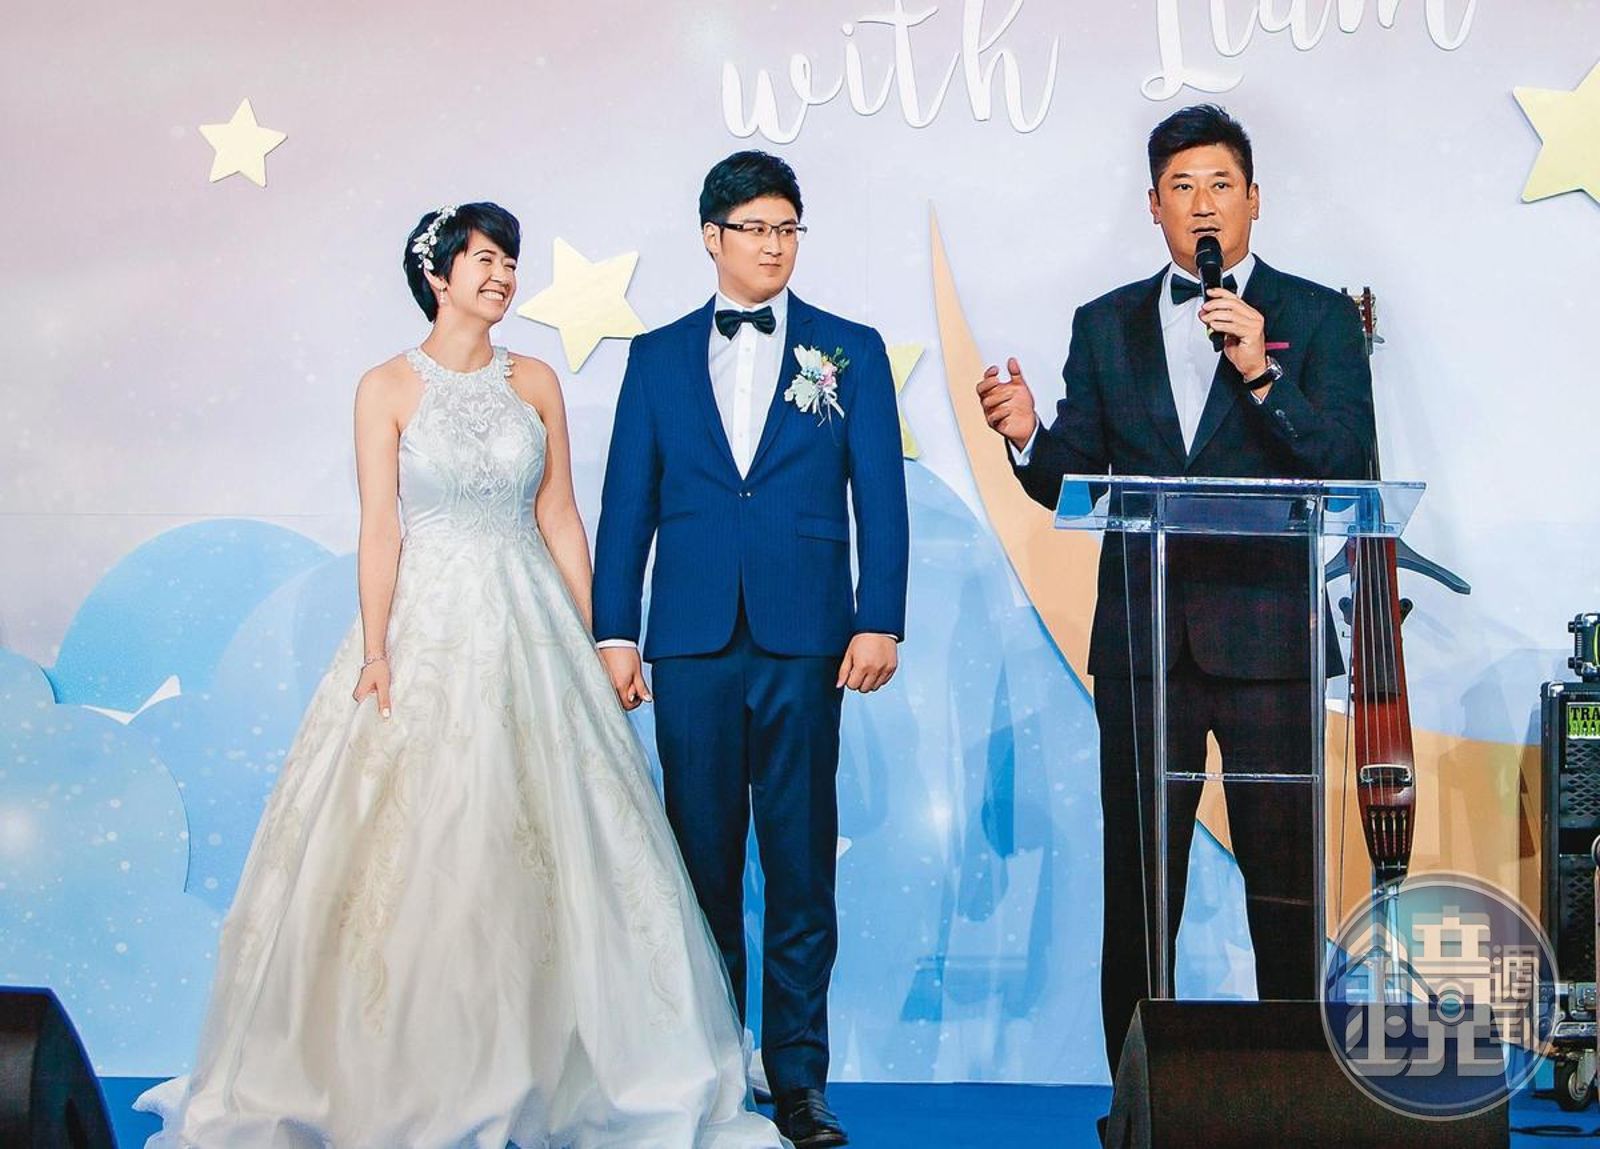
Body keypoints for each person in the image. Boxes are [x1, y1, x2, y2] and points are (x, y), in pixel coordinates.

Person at [136, 202, 782, 1147]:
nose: (503, 275)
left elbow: (559, 515)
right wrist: (375, 650)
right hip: (427, 622)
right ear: (437, 274)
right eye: (484, 258)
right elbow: (381, 528)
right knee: (421, 832)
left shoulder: (536, 381)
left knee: (558, 831)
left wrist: (603, 634)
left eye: (509, 260)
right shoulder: (385, 386)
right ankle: (406, 1066)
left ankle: (562, 1057)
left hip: (532, 620)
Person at [977, 105, 1376, 1080]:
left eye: (1220, 185)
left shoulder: (1318, 317)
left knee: (1284, 882)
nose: (1203, 205)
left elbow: (1348, 465)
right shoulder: (1104, 322)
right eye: (1182, 188)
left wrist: (1261, 375)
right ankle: (1138, 1101)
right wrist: (1027, 436)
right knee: (1141, 884)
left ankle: (1293, 1089)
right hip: (1144, 645)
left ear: (1254, 200)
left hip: (1271, 646)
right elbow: (1073, 474)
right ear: (1153, 206)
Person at [592, 151, 909, 1149]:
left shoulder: (847, 350)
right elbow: (626, 503)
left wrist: (879, 616)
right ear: (711, 237)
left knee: (801, 860)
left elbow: (881, 497)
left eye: (786, 229)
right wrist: (614, 630)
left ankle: (800, 1078)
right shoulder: (655, 357)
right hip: (689, 641)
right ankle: (711, 1067)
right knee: (699, 863)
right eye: (754, 229)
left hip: (806, 638)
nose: (773, 246)